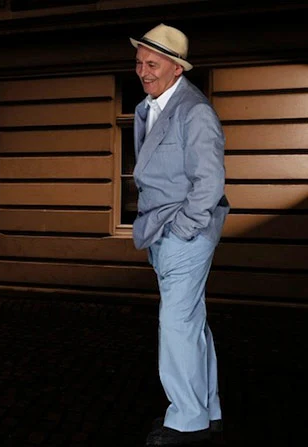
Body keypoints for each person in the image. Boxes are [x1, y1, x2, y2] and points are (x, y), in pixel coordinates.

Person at [129, 24, 230, 446]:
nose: (143, 72)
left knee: (176, 325)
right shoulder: (147, 109)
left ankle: (187, 421)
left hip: (184, 233)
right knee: (191, 323)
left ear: (177, 68)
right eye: (139, 63)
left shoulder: (194, 111)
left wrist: (183, 230)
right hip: (161, 232)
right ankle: (208, 408)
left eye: (152, 64)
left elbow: (210, 182)